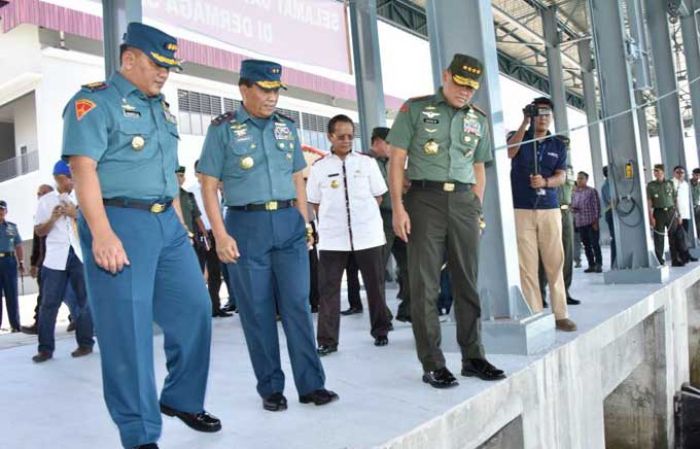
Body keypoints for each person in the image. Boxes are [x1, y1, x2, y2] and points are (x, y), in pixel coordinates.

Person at [62, 23, 220, 449]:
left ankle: (181, 398)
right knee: (127, 333)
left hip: (166, 224)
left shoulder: (161, 109)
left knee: (195, 310)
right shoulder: (94, 102)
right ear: (129, 59)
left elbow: (166, 172)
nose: (164, 73)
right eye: (157, 64)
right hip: (118, 221)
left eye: (169, 67)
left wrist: (177, 220)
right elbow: (83, 170)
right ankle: (139, 432)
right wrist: (101, 233)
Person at [198, 58, 337, 412]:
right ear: (244, 89)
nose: (272, 96)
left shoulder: (287, 128)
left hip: (289, 225)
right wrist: (220, 233)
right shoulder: (223, 129)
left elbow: (297, 178)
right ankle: (271, 388)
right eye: (265, 89)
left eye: (276, 90)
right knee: (257, 312)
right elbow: (209, 184)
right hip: (246, 227)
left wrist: (306, 222)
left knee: (298, 306)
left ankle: (311, 384)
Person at [388, 53, 506, 388]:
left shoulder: (477, 120)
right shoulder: (416, 109)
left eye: (471, 87)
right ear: (445, 76)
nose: (465, 91)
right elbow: (397, 160)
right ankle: (433, 363)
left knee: (467, 281)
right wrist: (398, 207)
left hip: (465, 202)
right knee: (425, 284)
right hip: (425, 200)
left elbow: (480, 167)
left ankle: (473, 357)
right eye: (460, 83)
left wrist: (477, 208)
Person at [307, 114, 392, 355]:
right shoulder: (320, 168)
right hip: (334, 238)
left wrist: (361, 216)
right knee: (329, 290)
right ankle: (327, 340)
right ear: (330, 137)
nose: (346, 141)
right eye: (340, 136)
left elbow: (378, 195)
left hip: (368, 234)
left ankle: (381, 330)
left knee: (375, 285)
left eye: (349, 136)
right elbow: (314, 202)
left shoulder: (366, 163)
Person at [506, 96, 577, 333]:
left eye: (547, 115)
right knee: (527, 264)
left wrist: (545, 181)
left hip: (549, 208)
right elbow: (510, 152)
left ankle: (560, 314)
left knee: (554, 261)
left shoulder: (557, 144)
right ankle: (535, 313)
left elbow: (562, 176)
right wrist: (524, 122)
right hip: (522, 209)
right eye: (539, 114)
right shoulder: (521, 138)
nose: (544, 119)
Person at [31, 160, 94, 362]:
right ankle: (45, 349)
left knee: (85, 301)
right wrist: (52, 219)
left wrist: (77, 215)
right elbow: (39, 231)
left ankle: (85, 344)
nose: (71, 182)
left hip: (79, 255)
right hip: (55, 258)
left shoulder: (84, 196)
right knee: (49, 304)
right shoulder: (46, 201)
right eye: (68, 179)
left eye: (73, 178)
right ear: (58, 178)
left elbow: (95, 225)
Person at [369, 126, 410, 321]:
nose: (392, 147)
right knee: (378, 269)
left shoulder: (395, 162)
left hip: (400, 216)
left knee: (410, 263)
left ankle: (408, 308)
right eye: (389, 143)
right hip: (379, 220)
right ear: (377, 142)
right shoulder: (365, 163)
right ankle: (381, 314)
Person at [190, 161, 233, 316]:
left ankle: (216, 306)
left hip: (216, 234)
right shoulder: (191, 192)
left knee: (216, 273)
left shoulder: (218, 191)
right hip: (200, 236)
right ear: (196, 174)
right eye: (201, 171)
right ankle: (200, 309)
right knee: (199, 272)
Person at [538, 165, 581, 307]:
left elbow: (571, 189)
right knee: (546, 253)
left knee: (567, 254)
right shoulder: (543, 164)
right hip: (549, 210)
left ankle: (564, 293)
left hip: (566, 212)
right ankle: (540, 294)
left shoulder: (568, 170)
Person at [21, 184, 54, 335]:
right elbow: (37, 242)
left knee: (75, 295)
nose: (41, 196)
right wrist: (34, 263)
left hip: (65, 261)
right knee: (44, 296)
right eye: (39, 194)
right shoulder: (39, 215)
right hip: (45, 262)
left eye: (44, 193)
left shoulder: (63, 209)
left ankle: (80, 321)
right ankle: (39, 323)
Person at [647, 164, 685, 266]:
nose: (656, 173)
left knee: (673, 236)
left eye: (658, 171)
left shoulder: (670, 183)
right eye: (655, 171)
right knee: (659, 237)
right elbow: (649, 202)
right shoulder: (651, 186)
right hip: (658, 213)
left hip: (671, 212)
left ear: (663, 172)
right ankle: (660, 260)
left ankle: (675, 259)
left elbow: (675, 199)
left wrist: (679, 214)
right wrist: (650, 217)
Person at [571, 171, 603, 273]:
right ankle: (591, 264)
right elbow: (574, 205)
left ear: (586, 180)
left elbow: (596, 207)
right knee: (586, 245)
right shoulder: (575, 193)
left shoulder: (591, 191)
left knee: (595, 244)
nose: (579, 180)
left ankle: (598, 264)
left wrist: (596, 221)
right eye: (578, 178)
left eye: (581, 178)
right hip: (580, 222)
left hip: (591, 222)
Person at [0, 200, 23, 332]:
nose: (0, 212)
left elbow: (18, 245)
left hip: (9, 261)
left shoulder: (11, 227)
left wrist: (21, 262)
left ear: (6, 211)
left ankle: (15, 325)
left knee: (12, 294)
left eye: (2, 210)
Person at [672, 166, 698, 263]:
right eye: (678, 172)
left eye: (682, 172)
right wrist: (678, 214)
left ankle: (686, 255)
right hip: (677, 215)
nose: (680, 174)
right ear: (674, 173)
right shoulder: (672, 183)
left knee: (684, 235)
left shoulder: (686, 184)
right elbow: (673, 200)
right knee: (678, 236)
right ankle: (680, 256)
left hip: (686, 214)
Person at [601, 166, 616, 268]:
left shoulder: (612, 184)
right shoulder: (607, 186)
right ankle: (614, 263)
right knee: (615, 238)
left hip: (613, 212)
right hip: (611, 213)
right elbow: (612, 201)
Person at [692, 168, 700, 240]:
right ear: (693, 175)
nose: (698, 177)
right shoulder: (687, 183)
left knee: (698, 223)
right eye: (696, 175)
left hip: (697, 206)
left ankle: (698, 237)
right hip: (689, 207)